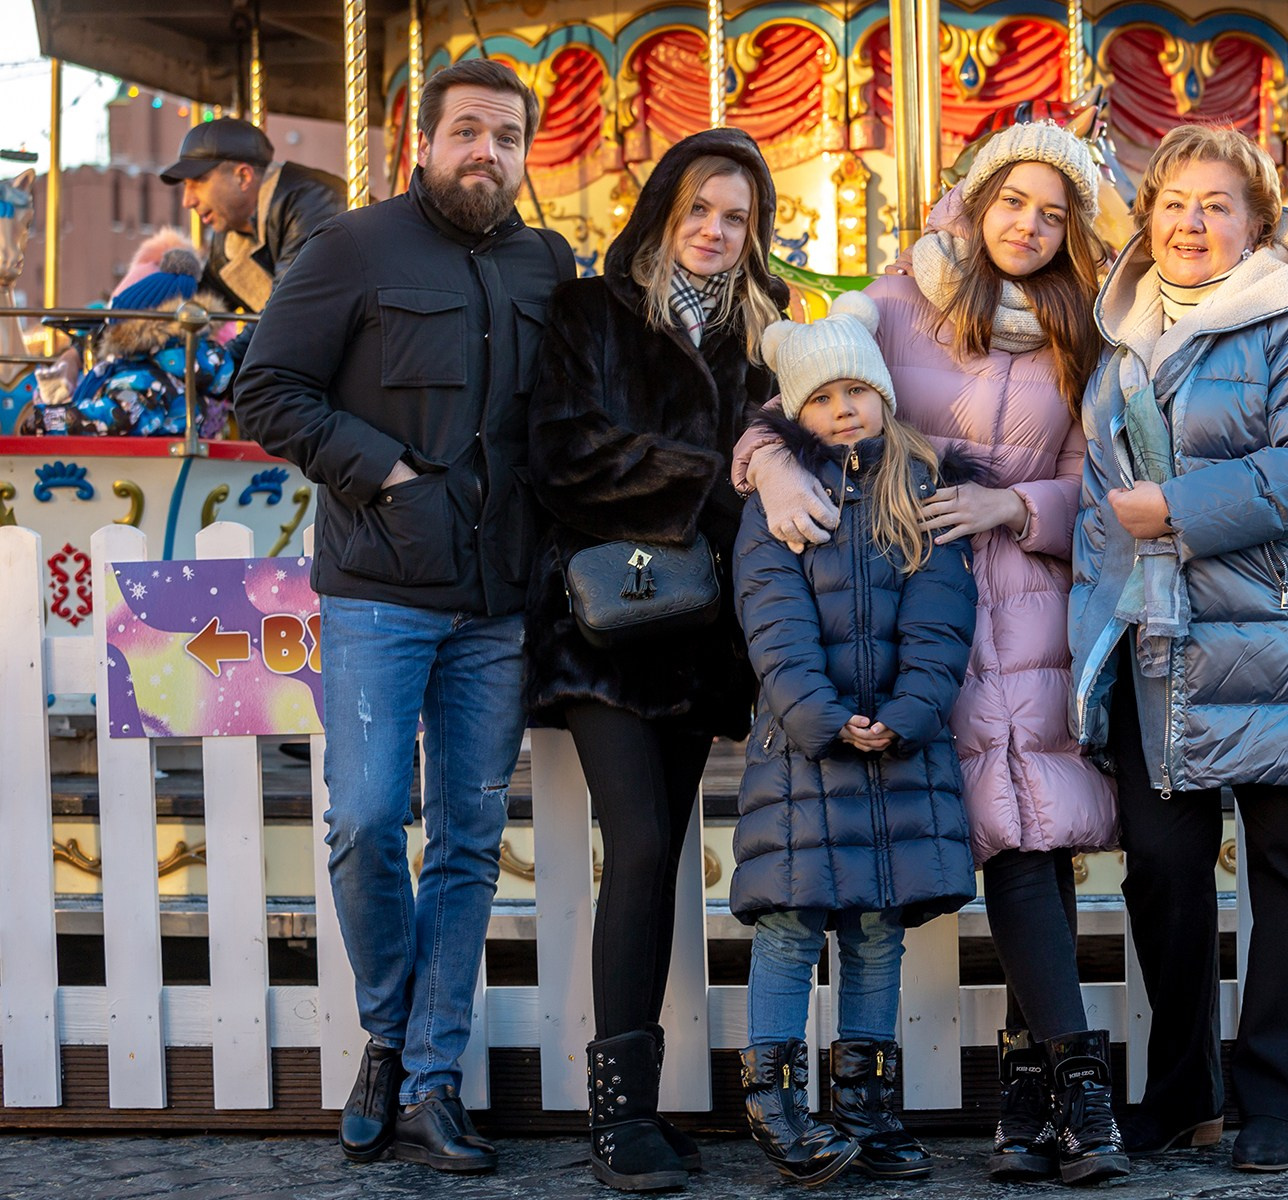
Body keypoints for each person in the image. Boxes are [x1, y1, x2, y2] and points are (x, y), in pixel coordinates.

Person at [735, 121, 1127, 1185]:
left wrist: (1015, 503)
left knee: (1032, 840)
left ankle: (1043, 1102)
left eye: (1054, 213)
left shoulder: (1080, 327)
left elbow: (1098, 482)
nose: (1029, 226)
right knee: (937, 860)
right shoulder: (901, 299)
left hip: (1020, 606)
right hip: (898, 600)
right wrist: (771, 464)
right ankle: (1049, 1098)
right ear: (979, 198)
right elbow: (806, 390)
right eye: (1014, 201)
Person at [233, 58, 574, 1174]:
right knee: (369, 821)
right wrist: (383, 472)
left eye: (507, 137)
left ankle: (429, 1080)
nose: (487, 152)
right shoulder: (351, 247)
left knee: (469, 840)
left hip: (497, 605)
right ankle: (389, 1028)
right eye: (467, 130)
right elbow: (266, 391)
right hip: (380, 592)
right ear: (421, 142)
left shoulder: (545, 262)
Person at [1069, 123, 1288, 1173]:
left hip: (1285, 630)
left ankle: (1275, 1097)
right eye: (1173, 203)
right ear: (1146, 217)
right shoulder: (1126, 337)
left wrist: (1177, 507)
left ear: (1256, 223)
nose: (1191, 223)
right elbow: (1099, 505)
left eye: (1215, 205)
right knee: (1163, 869)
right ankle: (1183, 1089)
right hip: (1163, 635)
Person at [521, 127, 788, 1192]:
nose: (716, 232)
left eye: (737, 218)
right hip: (604, 629)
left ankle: (644, 1106)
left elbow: (793, 452)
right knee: (636, 844)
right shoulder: (591, 312)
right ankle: (620, 1115)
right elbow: (564, 452)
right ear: (664, 210)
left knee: (664, 852)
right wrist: (716, 479)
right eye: (701, 211)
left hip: (699, 634)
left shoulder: (762, 332)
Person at [731, 292, 979, 1186]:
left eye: (857, 392)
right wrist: (823, 717)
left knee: (877, 933)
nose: (843, 409)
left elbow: (943, 617)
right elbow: (772, 620)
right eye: (823, 397)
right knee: (790, 926)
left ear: (883, 395)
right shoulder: (780, 501)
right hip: (804, 759)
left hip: (899, 755)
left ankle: (866, 1106)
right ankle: (774, 1103)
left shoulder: (919, 487)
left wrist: (910, 713)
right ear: (796, 412)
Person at [159, 116, 346, 361]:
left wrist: (224, 365)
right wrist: (150, 337)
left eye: (198, 182)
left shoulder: (313, 203)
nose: (187, 200)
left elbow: (287, 307)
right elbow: (203, 305)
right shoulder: (229, 239)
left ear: (243, 177)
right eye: (185, 185)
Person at [26, 244, 234, 437]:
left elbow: (114, 418)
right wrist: (53, 400)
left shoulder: (148, 378)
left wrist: (45, 419)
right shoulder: (156, 368)